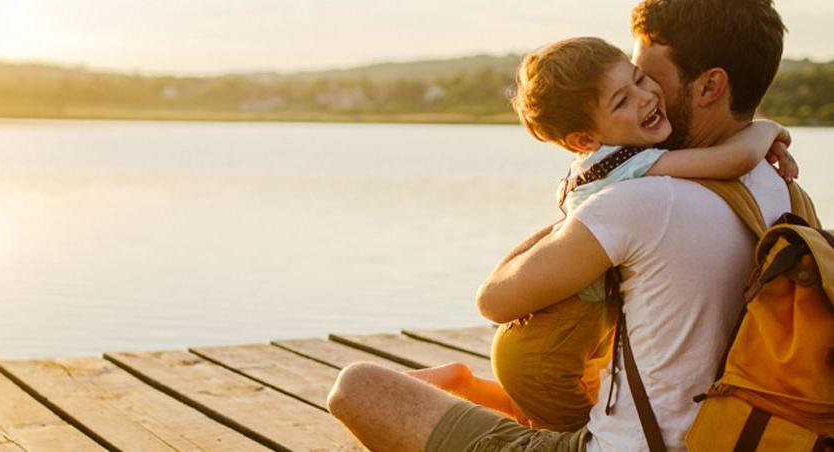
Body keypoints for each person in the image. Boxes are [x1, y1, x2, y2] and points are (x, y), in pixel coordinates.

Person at [326, 0, 803, 451]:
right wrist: (764, 129)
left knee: (358, 387)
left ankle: (463, 389)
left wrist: (583, 202)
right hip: (738, 436)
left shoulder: (642, 200)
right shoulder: (780, 185)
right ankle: (466, 386)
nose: (646, 96)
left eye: (648, 78)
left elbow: (495, 299)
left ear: (708, 87)